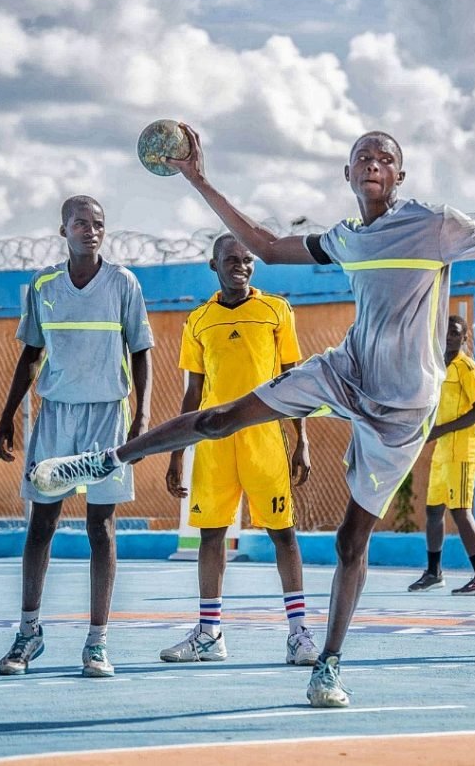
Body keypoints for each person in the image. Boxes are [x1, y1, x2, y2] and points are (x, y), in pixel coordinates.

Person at [28, 128, 475, 707]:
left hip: (404, 406)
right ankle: (105, 459)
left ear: (401, 176)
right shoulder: (347, 238)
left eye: (386, 157)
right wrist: (198, 177)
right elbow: (268, 247)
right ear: (348, 173)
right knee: (223, 417)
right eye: (364, 155)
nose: (374, 162)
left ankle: (327, 664)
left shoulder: (437, 225)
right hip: (348, 369)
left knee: (350, 541)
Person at [0, 195, 154, 678]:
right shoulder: (43, 285)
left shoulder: (124, 282)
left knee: (99, 528)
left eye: (99, 223)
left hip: (107, 416)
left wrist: (142, 413)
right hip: (57, 416)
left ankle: (97, 642)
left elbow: (142, 350)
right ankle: (29, 632)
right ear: (63, 229)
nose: (91, 230)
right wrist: (6, 417)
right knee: (41, 525)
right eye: (81, 223)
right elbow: (30, 357)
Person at [160, 233, 318, 666]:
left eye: (247, 260)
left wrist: (301, 440)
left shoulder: (276, 311)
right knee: (211, 534)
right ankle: (209, 634)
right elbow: (192, 392)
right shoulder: (198, 320)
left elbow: (294, 380)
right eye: (231, 259)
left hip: (264, 436)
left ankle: (299, 633)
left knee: (281, 532)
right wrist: (177, 452)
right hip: (212, 441)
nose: (241, 266)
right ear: (214, 265)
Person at [408, 314, 475, 595]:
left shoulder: (466, 368)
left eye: (456, 333)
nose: (450, 336)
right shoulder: (436, 367)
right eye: (446, 332)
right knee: (434, 510)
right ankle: (434, 572)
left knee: (460, 510)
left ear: (464, 338)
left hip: (462, 448)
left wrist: (441, 428)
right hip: (443, 448)